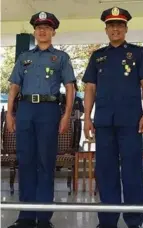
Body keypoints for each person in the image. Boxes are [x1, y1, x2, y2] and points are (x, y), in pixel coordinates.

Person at [82, 6, 143, 228]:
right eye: (112, 25)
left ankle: (134, 221)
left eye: (120, 25)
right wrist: (86, 117)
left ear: (125, 29)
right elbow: (90, 89)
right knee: (105, 172)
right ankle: (107, 221)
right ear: (106, 30)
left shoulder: (138, 53)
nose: (116, 29)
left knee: (132, 171)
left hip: (131, 122)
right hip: (104, 122)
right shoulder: (98, 56)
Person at [6, 11, 76, 228]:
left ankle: (44, 218)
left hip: (49, 109)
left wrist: (66, 115)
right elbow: (14, 86)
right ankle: (26, 217)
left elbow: (70, 87)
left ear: (53, 31)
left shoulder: (61, 58)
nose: (42, 31)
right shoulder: (24, 58)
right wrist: (9, 113)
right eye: (38, 28)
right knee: (26, 161)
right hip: (25, 109)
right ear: (35, 32)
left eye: (46, 27)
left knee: (46, 162)